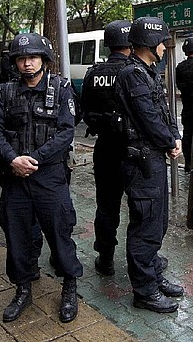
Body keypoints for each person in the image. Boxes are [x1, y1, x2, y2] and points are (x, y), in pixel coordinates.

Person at [0, 32, 82, 323]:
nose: (27, 64)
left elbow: (67, 132)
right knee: (17, 235)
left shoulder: (62, 88)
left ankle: (69, 286)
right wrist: (12, 159)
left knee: (59, 232)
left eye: (33, 57)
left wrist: (35, 159)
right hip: (15, 177)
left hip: (49, 175)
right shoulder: (5, 92)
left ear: (44, 60)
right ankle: (23, 288)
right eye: (21, 58)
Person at [115, 17, 184, 313]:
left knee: (158, 222)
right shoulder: (132, 74)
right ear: (151, 44)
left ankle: (153, 275)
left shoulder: (148, 72)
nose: (165, 49)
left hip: (153, 159)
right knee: (145, 226)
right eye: (163, 44)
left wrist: (175, 136)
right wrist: (169, 141)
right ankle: (144, 291)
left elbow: (164, 111)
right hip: (141, 161)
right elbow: (148, 118)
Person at [80, 19, 132, 276]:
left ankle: (106, 257)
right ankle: (142, 260)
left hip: (105, 149)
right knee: (140, 207)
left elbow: (85, 111)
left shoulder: (94, 73)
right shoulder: (136, 71)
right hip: (133, 152)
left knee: (106, 205)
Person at [175, 37, 193, 172]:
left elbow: (178, 85)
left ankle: (188, 163)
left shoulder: (180, 67)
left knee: (188, 135)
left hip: (187, 106)